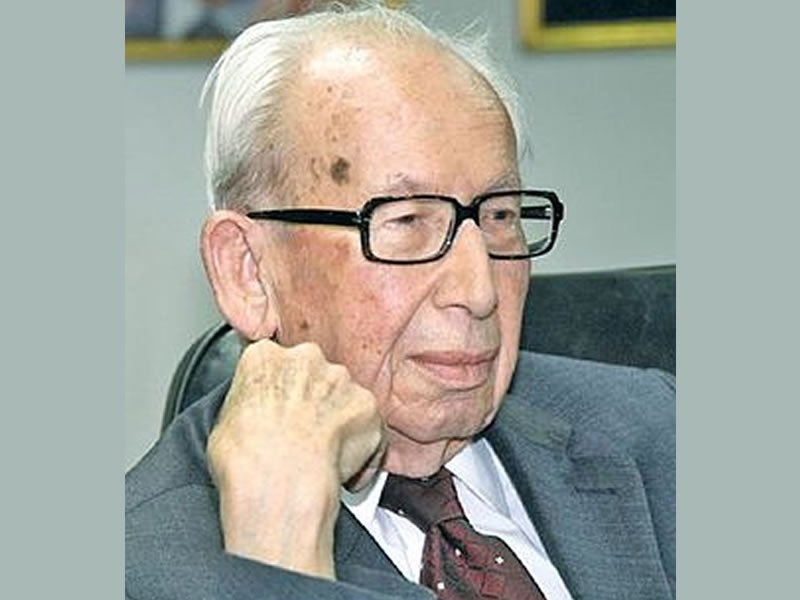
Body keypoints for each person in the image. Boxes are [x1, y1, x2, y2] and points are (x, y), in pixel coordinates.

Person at [125, 3, 675, 599]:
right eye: (407, 221)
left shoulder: (658, 430)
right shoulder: (141, 568)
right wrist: (279, 559)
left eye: (499, 217)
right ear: (249, 271)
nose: (479, 291)